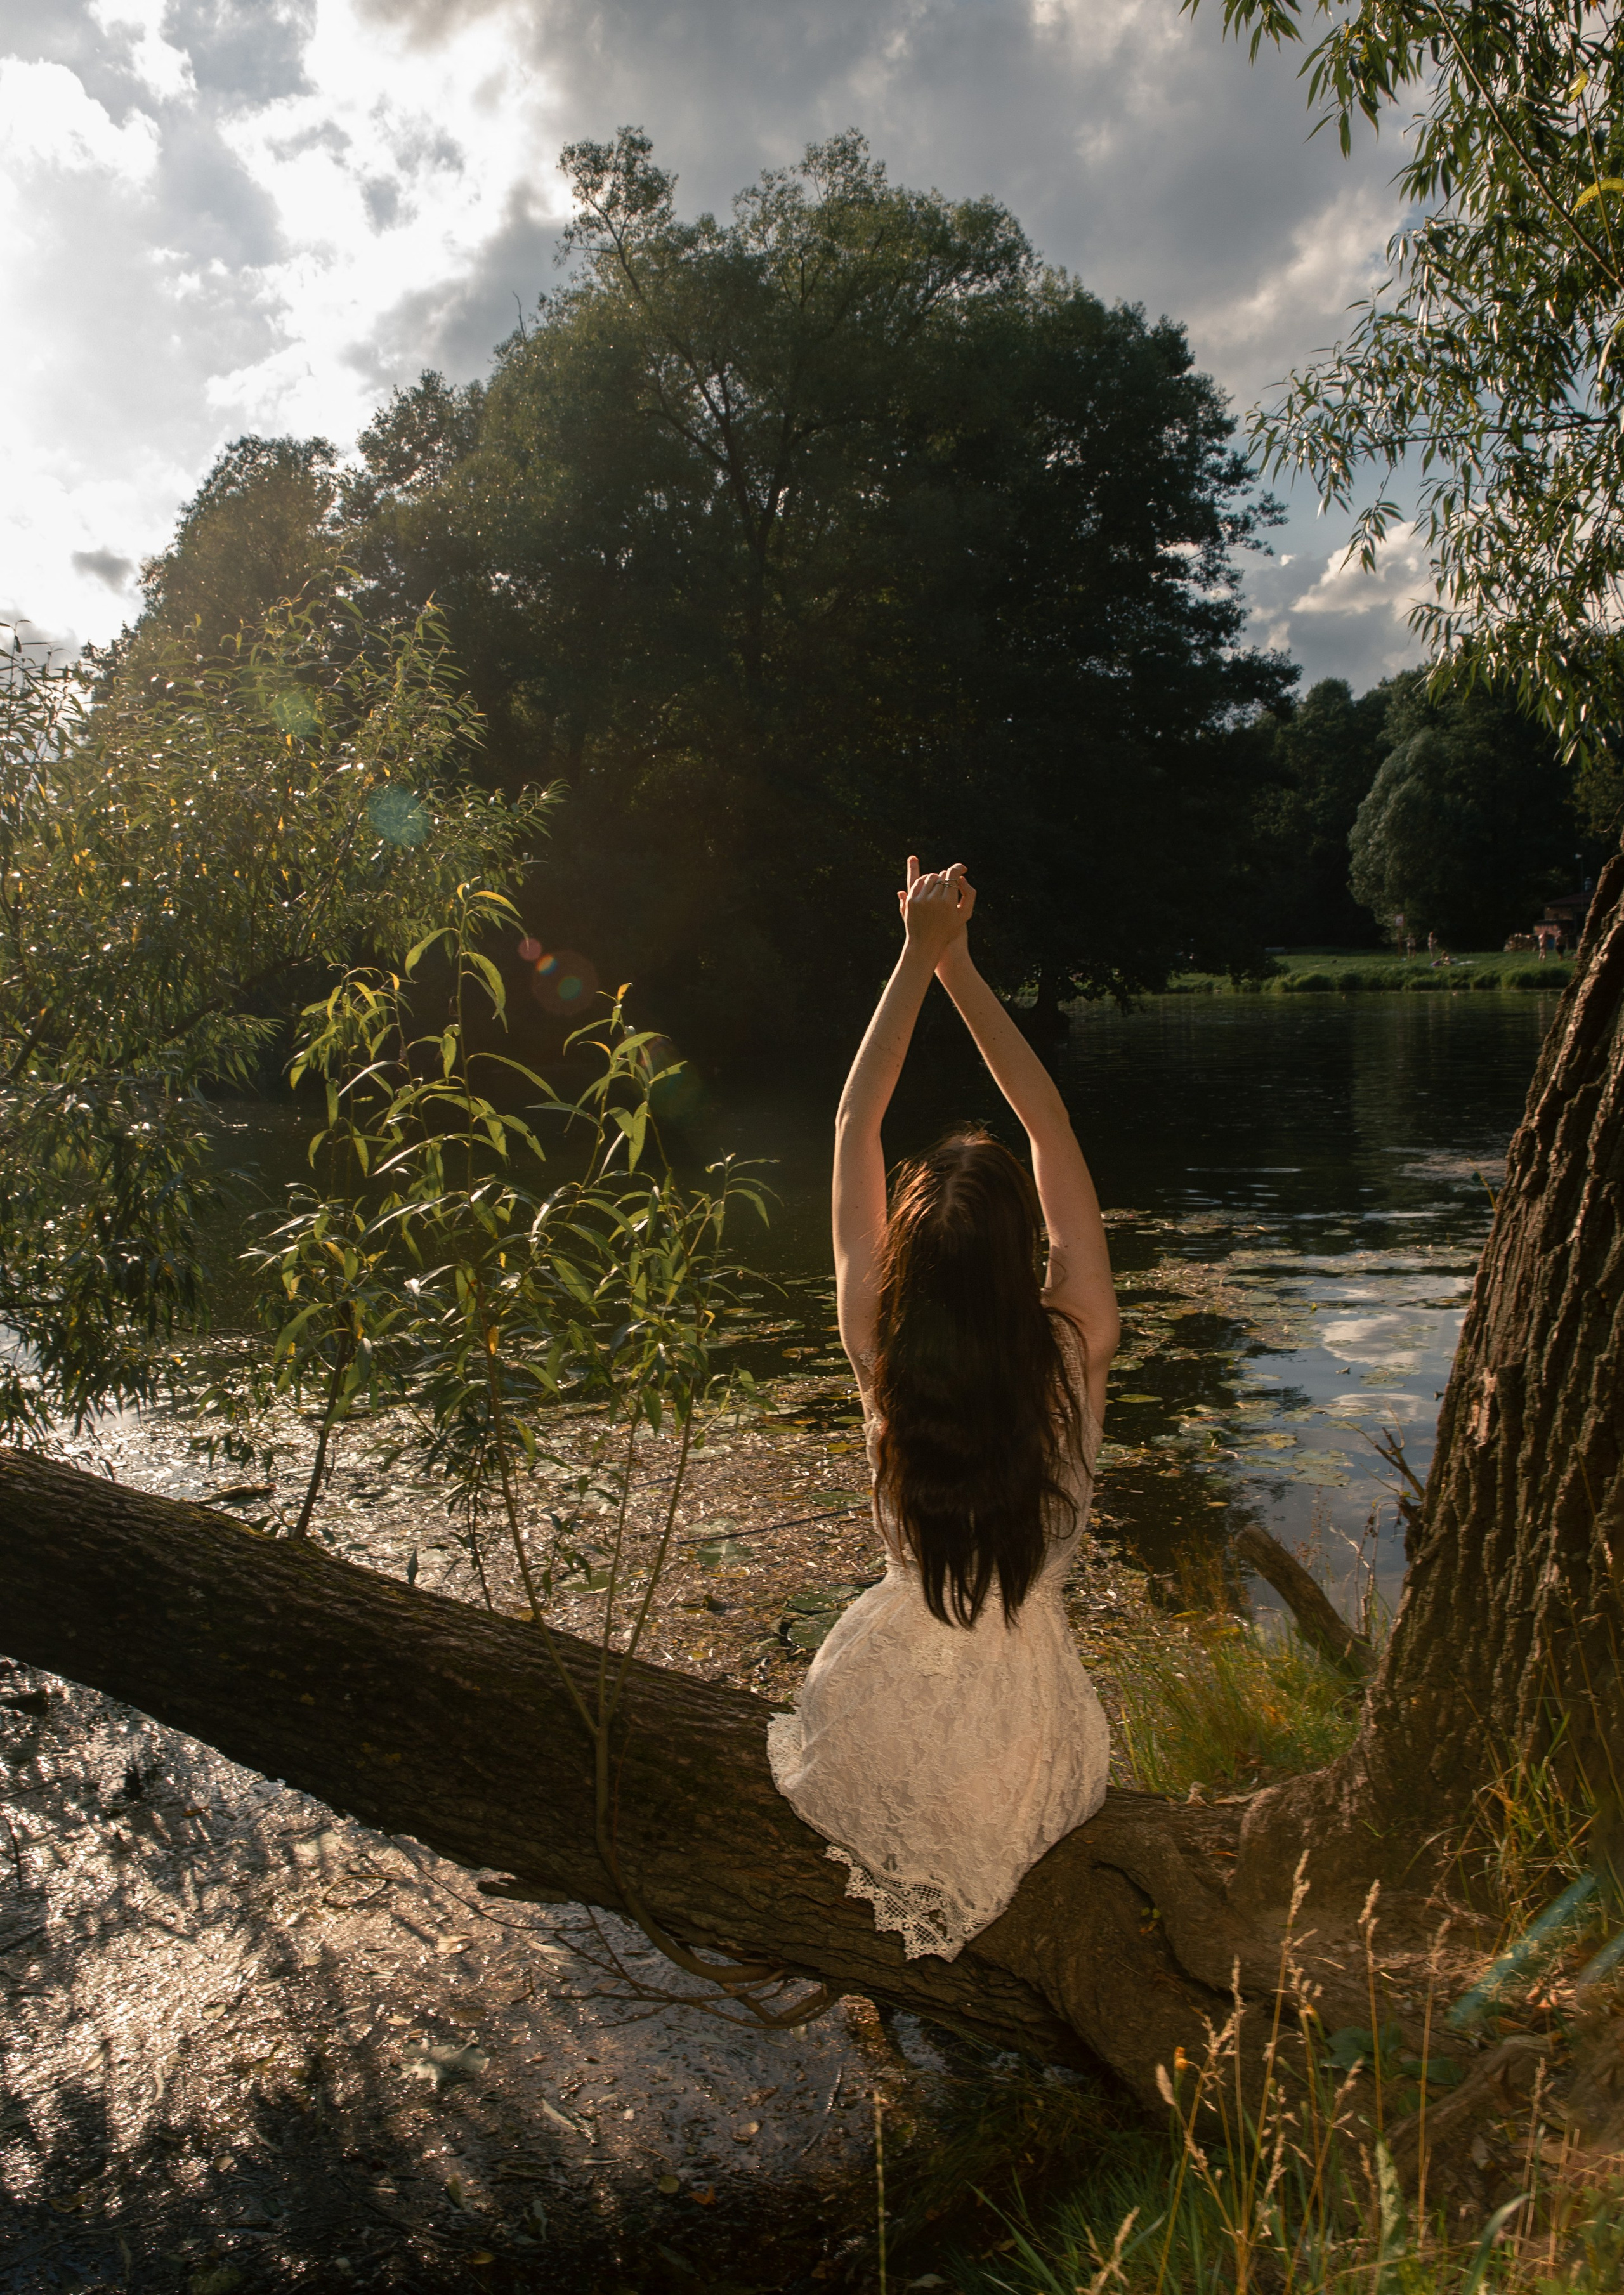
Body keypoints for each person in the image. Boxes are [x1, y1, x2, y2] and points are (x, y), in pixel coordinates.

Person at [766, 858, 1120, 1961]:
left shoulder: (879, 1344)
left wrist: (917, 956)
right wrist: (961, 966)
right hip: (1029, 1733)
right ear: (1027, 1249)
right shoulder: (1077, 1341)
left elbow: (853, 1120)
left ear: (911, 1252)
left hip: (886, 1706)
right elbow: (1048, 1123)